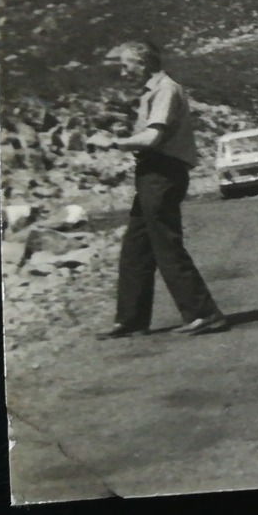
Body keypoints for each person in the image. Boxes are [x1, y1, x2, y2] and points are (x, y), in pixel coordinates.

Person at [92, 41, 228, 338]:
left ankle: (205, 313)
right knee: (135, 248)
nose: (124, 72)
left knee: (165, 243)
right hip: (152, 172)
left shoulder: (166, 88)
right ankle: (131, 319)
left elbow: (153, 137)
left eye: (127, 66)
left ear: (143, 63)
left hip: (163, 172)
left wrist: (112, 143)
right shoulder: (152, 92)